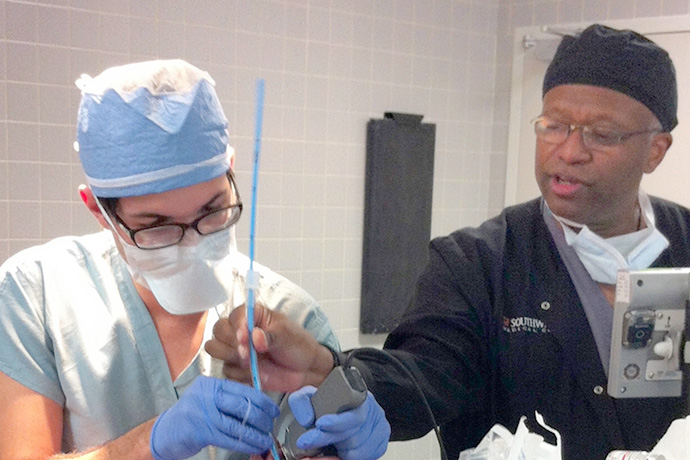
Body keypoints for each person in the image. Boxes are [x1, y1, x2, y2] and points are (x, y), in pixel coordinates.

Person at [205, 24, 690, 460]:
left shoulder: (684, 243)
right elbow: (421, 378)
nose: (569, 151)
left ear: (655, 150)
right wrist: (329, 369)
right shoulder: (479, 261)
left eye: (601, 135)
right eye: (553, 126)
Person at [0, 59, 389, 460]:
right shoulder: (36, 295)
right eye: (156, 226)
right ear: (99, 212)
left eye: (213, 210)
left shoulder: (291, 319)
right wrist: (147, 443)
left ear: (230, 172)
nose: (194, 242)